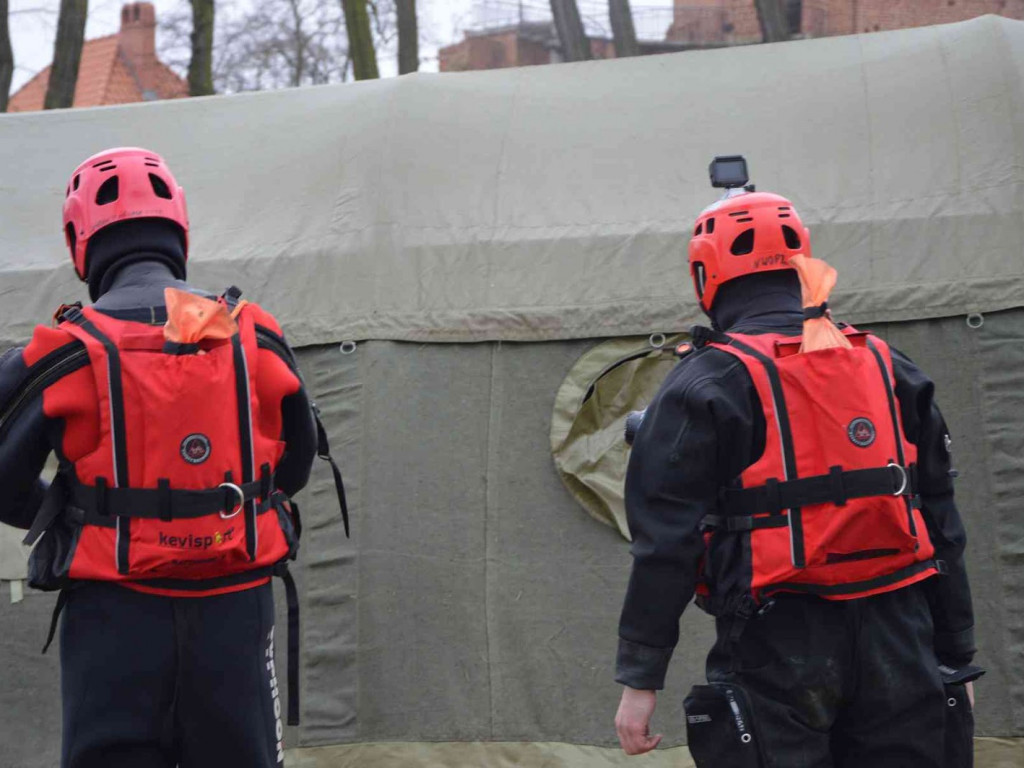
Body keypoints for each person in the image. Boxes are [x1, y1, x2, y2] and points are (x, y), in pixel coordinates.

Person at [0, 147, 346, 768]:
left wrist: (72, 514)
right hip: (234, 611)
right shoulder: (252, 331)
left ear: (82, 242)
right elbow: (293, 470)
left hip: (113, 617)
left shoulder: (65, 347)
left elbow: (0, 482)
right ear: (178, 229)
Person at [613, 181, 979, 767]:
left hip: (778, 641)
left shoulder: (703, 382)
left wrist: (640, 678)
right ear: (801, 260)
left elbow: (665, 545)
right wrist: (957, 654)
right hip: (902, 630)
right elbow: (941, 517)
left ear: (705, 278)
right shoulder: (889, 364)